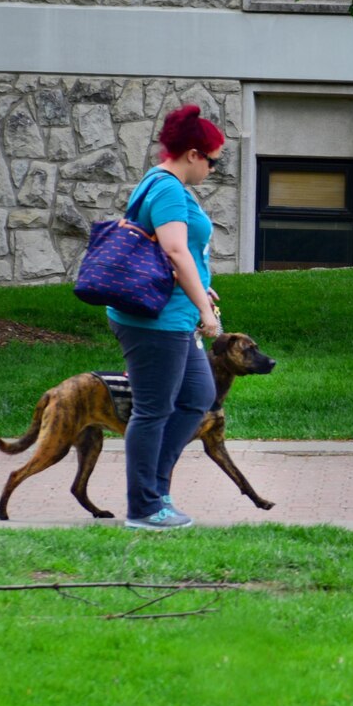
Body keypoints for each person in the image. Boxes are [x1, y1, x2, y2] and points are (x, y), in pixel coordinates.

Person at [109, 104, 225, 530]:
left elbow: (177, 254)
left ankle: (157, 488)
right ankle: (143, 507)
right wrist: (204, 309)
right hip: (155, 322)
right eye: (212, 161)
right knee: (154, 410)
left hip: (170, 317)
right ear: (193, 154)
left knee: (197, 395)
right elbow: (175, 250)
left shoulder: (167, 186)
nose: (212, 170)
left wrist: (200, 285)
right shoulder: (168, 189)